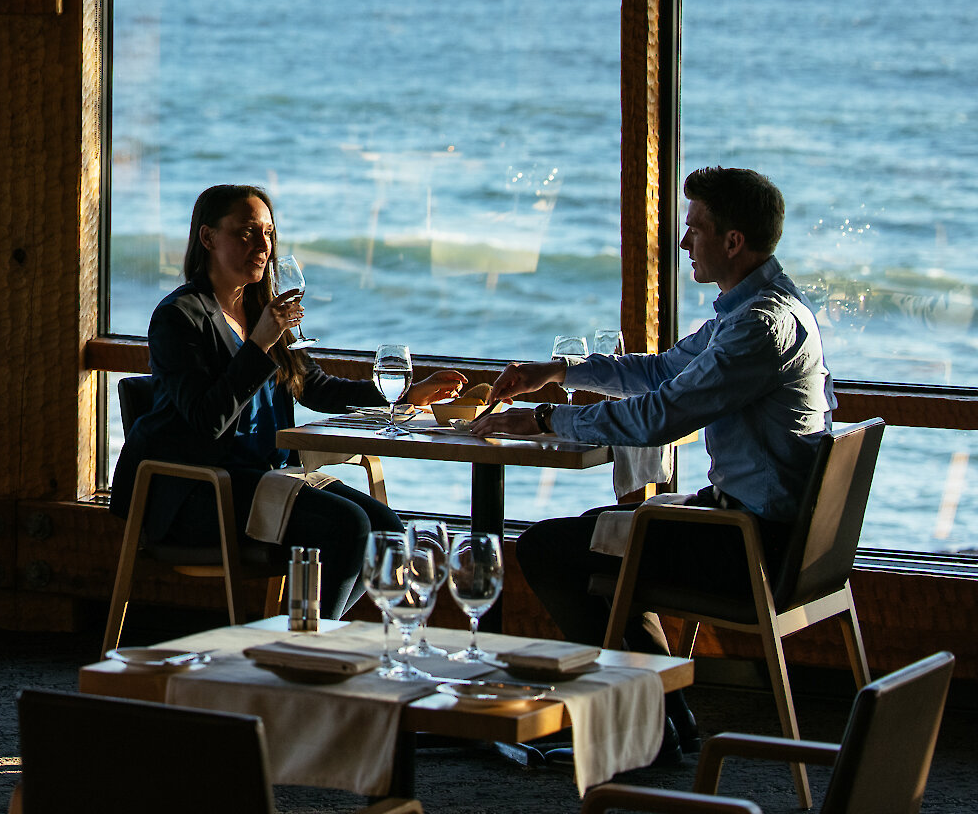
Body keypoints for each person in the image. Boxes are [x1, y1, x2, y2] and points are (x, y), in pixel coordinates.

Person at [472, 166, 834, 757]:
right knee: (604, 540)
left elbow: (657, 416)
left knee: (550, 550)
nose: (685, 242)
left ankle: (647, 722)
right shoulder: (752, 310)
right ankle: (663, 719)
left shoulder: (759, 328)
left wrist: (543, 420)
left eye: (695, 229)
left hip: (753, 547)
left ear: (733, 241)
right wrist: (562, 373)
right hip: (750, 526)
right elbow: (662, 370)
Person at [111, 184, 463, 617]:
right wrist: (258, 346)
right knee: (349, 528)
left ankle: (308, 632)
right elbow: (207, 420)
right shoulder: (178, 318)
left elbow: (314, 386)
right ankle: (309, 644)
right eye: (246, 233)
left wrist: (406, 393)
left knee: (387, 530)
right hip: (199, 491)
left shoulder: (262, 309)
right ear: (207, 238)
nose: (263, 246)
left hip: (264, 477)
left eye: (269, 234)